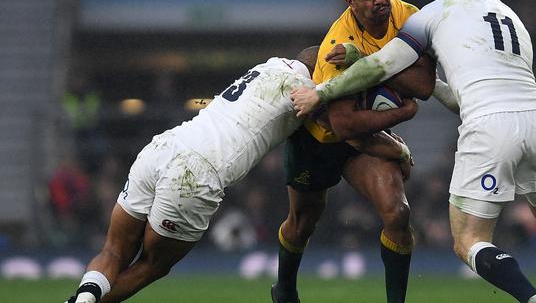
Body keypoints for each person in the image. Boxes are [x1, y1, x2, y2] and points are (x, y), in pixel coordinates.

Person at [291, 0, 536, 303]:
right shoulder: (513, 19)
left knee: (468, 240)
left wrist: (321, 93)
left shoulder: (438, 9)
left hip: (490, 123)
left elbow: (383, 67)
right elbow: (450, 89)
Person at [63, 47, 416, 303]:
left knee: (114, 250)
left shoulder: (269, 66)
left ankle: (84, 297)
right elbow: (349, 131)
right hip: (196, 174)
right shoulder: (307, 94)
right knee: (150, 266)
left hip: (163, 147)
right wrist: (398, 147)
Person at [273, 0, 435, 303]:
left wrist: (365, 61)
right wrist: (397, 126)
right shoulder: (336, 43)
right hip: (318, 137)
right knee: (303, 223)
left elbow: (422, 84)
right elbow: (342, 125)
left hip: (360, 140)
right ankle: (284, 289)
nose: (379, 0)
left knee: (398, 212)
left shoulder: (409, 16)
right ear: (351, 2)